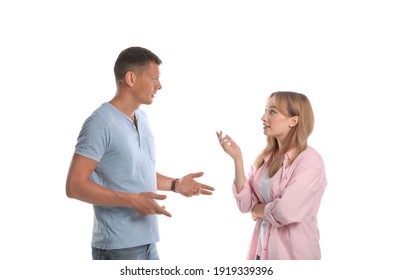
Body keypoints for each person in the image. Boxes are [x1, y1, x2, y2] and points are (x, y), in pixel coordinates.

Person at [66, 46, 214, 260]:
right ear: (131, 78)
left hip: (148, 244)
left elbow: (132, 174)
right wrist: (131, 200)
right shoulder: (100, 123)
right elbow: (74, 186)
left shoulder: (142, 118)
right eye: (154, 78)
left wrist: (176, 184)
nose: (159, 85)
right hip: (117, 249)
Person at [216, 91, 327, 260]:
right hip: (262, 252)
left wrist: (259, 210)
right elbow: (245, 205)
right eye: (265, 110)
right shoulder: (266, 158)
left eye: (272, 111)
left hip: (293, 256)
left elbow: (285, 211)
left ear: (293, 120)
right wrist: (237, 159)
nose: (264, 117)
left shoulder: (310, 161)